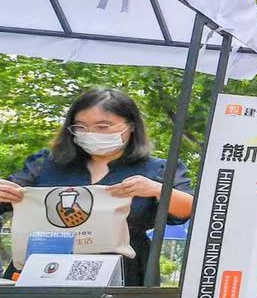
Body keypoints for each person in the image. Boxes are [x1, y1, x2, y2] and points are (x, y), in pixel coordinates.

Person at [0, 87, 194, 285]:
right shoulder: (44, 165)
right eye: (80, 127)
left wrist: (157, 190)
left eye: (103, 126)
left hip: (122, 274)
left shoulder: (159, 169)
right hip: (42, 270)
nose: (90, 134)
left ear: (132, 126)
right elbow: (7, 200)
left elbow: (188, 210)